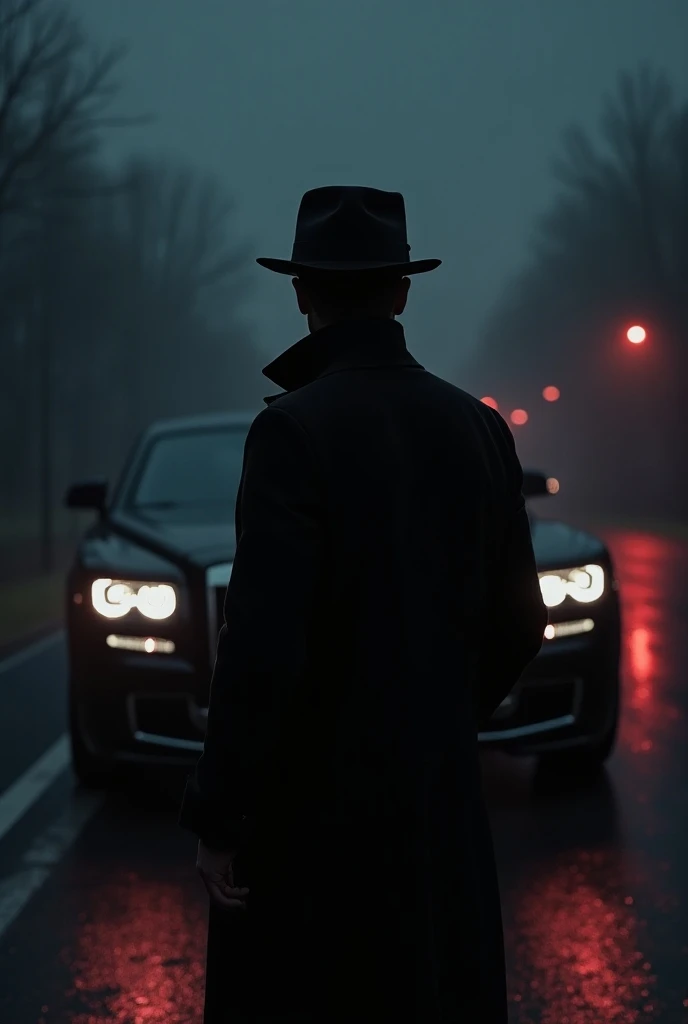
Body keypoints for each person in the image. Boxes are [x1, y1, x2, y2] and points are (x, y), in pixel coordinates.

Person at [179, 185, 547, 1023]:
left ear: (301, 292)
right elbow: (522, 622)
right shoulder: (479, 428)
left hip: (315, 832)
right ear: (403, 291)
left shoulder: (292, 433)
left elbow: (262, 647)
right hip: (437, 818)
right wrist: (439, 716)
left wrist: (221, 814)